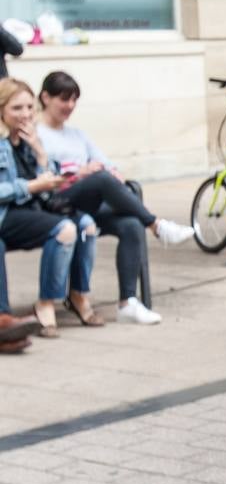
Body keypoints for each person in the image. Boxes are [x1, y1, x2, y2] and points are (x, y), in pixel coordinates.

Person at [36, 71, 194, 325]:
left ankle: (128, 302)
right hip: (55, 202)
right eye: (64, 99)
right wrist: (80, 173)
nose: (70, 106)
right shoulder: (37, 134)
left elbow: (106, 164)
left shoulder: (77, 135)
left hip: (86, 203)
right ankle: (157, 225)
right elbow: (40, 177)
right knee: (99, 179)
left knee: (131, 224)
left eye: (74, 100)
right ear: (45, 97)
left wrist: (111, 173)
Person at [0, 78, 88, 337]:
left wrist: (40, 153)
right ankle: (35, 309)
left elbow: (51, 184)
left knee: (80, 225)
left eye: (29, 107)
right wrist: (30, 187)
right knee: (64, 230)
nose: (26, 114)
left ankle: (51, 301)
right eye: (17, 108)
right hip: (7, 215)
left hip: (28, 212)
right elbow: (29, 187)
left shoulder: (27, 139)